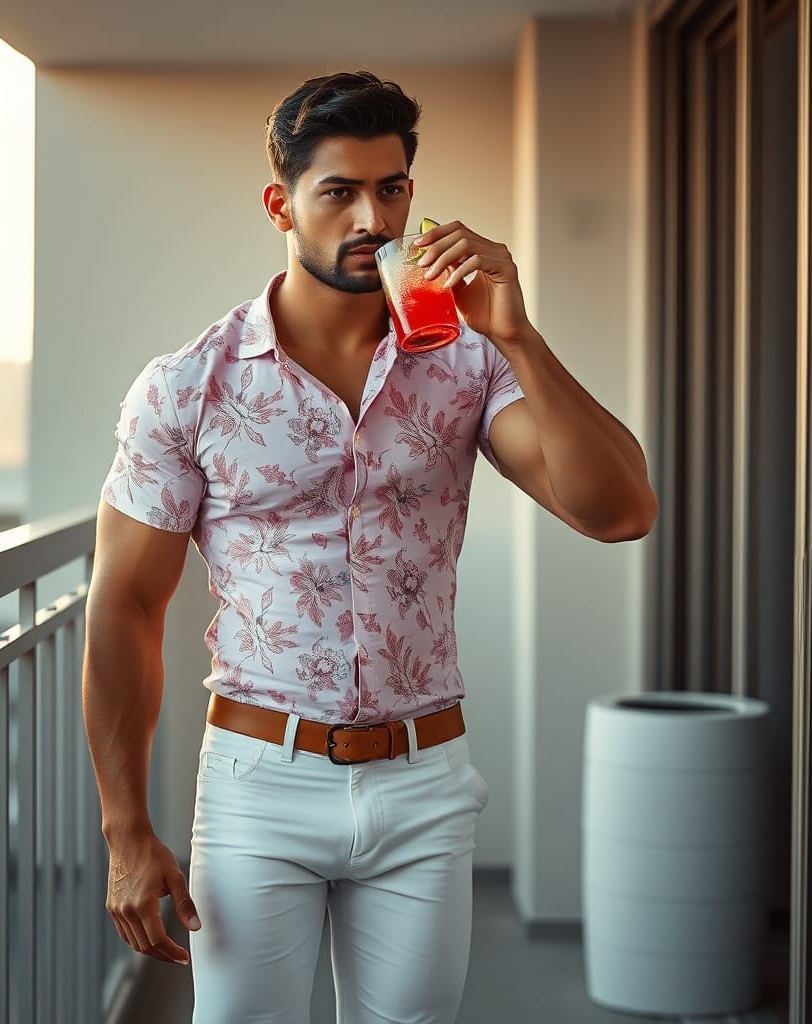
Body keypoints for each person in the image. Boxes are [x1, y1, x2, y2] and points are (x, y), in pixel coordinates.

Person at [83, 70, 658, 1024]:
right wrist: (125, 827)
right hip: (259, 784)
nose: (372, 217)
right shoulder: (189, 387)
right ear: (282, 206)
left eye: (391, 189)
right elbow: (125, 604)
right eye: (339, 191)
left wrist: (516, 336)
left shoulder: (469, 364)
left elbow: (620, 510)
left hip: (422, 782)